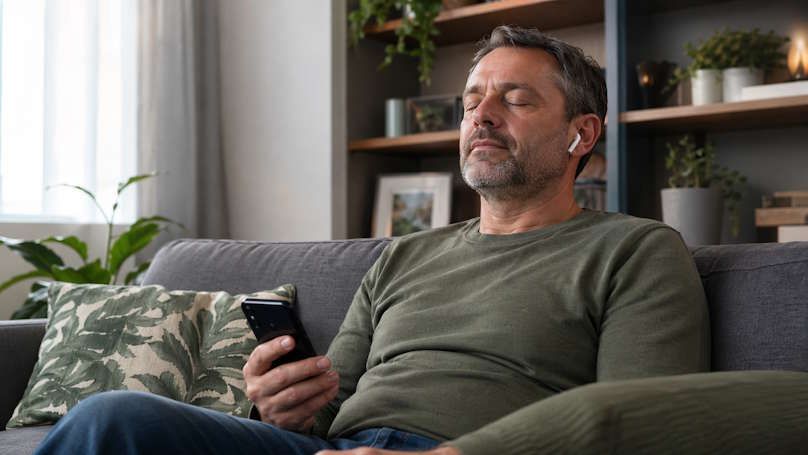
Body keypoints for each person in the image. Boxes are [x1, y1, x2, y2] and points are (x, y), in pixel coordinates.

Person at [35, 26, 709, 455]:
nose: (482, 115)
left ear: (581, 135)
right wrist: (284, 400)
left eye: (516, 99)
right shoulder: (406, 254)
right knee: (111, 419)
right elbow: (332, 402)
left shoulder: (636, 250)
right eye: (473, 99)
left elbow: (637, 426)